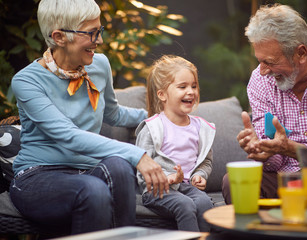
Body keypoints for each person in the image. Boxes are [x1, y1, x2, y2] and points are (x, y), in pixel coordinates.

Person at [10, 0, 169, 235]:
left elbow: (112, 113)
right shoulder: (26, 81)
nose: (100, 41)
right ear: (59, 36)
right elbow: (68, 135)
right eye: (92, 33)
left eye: (99, 31)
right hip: (38, 176)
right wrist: (138, 155)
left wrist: (159, 116)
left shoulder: (99, 65)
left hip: (89, 172)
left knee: (118, 166)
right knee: (93, 189)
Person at [222, 4, 307, 202]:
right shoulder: (260, 80)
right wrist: (263, 150)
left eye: (269, 62)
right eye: (260, 61)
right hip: (286, 177)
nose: (262, 71)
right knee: (233, 183)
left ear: (301, 53)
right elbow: (274, 158)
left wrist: (288, 148)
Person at [135, 55, 215, 232]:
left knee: (204, 202)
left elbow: (206, 161)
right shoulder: (152, 128)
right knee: (185, 205)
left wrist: (200, 174)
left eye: (194, 86)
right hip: (158, 189)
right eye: (182, 87)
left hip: (187, 187)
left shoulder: (200, 128)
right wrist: (166, 178)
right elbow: (141, 167)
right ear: (162, 94)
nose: (191, 91)